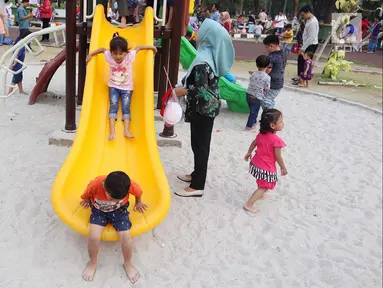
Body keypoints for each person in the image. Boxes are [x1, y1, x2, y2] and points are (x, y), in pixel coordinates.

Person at [173, 19, 234, 197]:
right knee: (199, 144)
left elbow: (199, 90)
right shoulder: (211, 55)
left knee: (200, 146)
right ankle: (195, 174)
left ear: (207, 36)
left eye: (202, 30)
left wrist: (178, 91)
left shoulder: (202, 61)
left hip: (203, 109)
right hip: (208, 109)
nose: (198, 33)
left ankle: (197, 185)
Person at [80, 171, 147, 283]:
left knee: (126, 237)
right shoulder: (96, 184)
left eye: (117, 200)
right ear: (103, 187)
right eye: (111, 198)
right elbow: (87, 192)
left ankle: (128, 263)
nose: (112, 201)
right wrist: (86, 199)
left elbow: (139, 192)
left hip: (119, 211)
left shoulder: (129, 185)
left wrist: (138, 202)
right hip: (99, 211)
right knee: (94, 237)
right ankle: (92, 263)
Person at [86, 33, 156, 140]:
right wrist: (90, 54)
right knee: (113, 107)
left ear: (125, 52)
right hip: (113, 87)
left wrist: (152, 47)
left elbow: (139, 48)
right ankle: (112, 132)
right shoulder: (109, 56)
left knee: (125, 108)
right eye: (115, 54)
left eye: (121, 54)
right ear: (112, 53)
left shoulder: (129, 57)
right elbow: (102, 49)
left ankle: (127, 131)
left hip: (127, 88)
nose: (118, 57)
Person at [243, 109, 287, 213]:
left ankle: (260, 195)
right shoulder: (276, 140)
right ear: (272, 125)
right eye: (280, 121)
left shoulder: (261, 135)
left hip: (256, 163)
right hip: (265, 167)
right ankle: (249, 204)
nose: (282, 123)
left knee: (261, 180)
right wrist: (282, 167)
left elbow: (254, 144)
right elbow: (278, 156)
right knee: (265, 186)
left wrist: (249, 152)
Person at [292, 5, 318, 85]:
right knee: (301, 61)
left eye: (303, 15)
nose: (303, 17)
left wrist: (303, 48)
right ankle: (300, 77)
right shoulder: (309, 20)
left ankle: (302, 79)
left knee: (305, 63)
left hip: (310, 45)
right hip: (306, 44)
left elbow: (311, 38)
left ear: (309, 12)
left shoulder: (313, 22)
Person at [246, 55, 270, 131]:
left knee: (252, 110)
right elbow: (266, 89)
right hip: (257, 97)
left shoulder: (253, 74)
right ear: (268, 65)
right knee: (254, 112)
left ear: (256, 64)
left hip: (248, 94)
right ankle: (249, 126)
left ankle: (254, 122)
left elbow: (251, 81)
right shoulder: (267, 77)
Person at [262, 35, 285, 109]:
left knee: (266, 101)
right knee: (270, 99)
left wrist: (259, 74)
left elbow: (268, 70)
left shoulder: (271, 57)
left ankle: (270, 117)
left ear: (271, 46)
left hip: (272, 83)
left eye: (266, 47)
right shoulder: (283, 54)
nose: (266, 49)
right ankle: (270, 115)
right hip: (280, 82)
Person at [8, 30, 31, 95]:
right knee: (16, 78)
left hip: (18, 63)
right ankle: (9, 93)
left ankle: (21, 91)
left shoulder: (20, 42)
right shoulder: (22, 44)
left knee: (19, 77)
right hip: (17, 63)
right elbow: (17, 54)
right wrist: (14, 63)